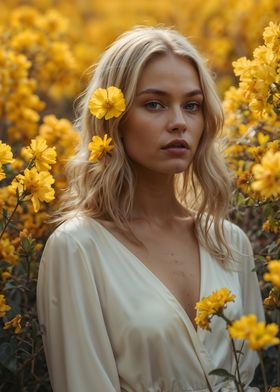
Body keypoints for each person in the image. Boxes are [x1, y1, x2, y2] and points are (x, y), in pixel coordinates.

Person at [37, 26, 264, 392]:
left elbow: (254, 375)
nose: (179, 122)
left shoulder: (230, 242)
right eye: (154, 104)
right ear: (114, 120)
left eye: (191, 106)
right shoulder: (79, 248)